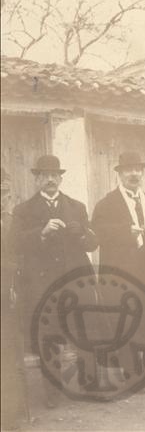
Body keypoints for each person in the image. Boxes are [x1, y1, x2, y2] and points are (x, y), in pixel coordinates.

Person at [11, 155, 98, 408]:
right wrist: (41, 232)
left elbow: (93, 243)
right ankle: (52, 391)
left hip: (74, 282)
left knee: (83, 331)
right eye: (44, 176)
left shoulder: (77, 206)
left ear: (60, 178)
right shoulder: (23, 211)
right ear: (37, 179)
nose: (50, 180)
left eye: (54, 175)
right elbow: (13, 244)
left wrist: (81, 233)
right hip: (41, 285)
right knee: (48, 336)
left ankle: (90, 383)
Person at [91, 151, 145, 388]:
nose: (134, 174)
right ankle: (131, 375)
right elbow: (97, 233)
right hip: (123, 273)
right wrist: (124, 232)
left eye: (138, 169)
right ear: (119, 173)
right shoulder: (107, 203)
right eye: (128, 169)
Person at [1, 167, 28, 428]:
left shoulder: (13, 221)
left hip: (8, 299)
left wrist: (15, 277)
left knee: (10, 352)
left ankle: (12, 411)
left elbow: (22, 254)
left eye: (4, 193)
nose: (1, 198)